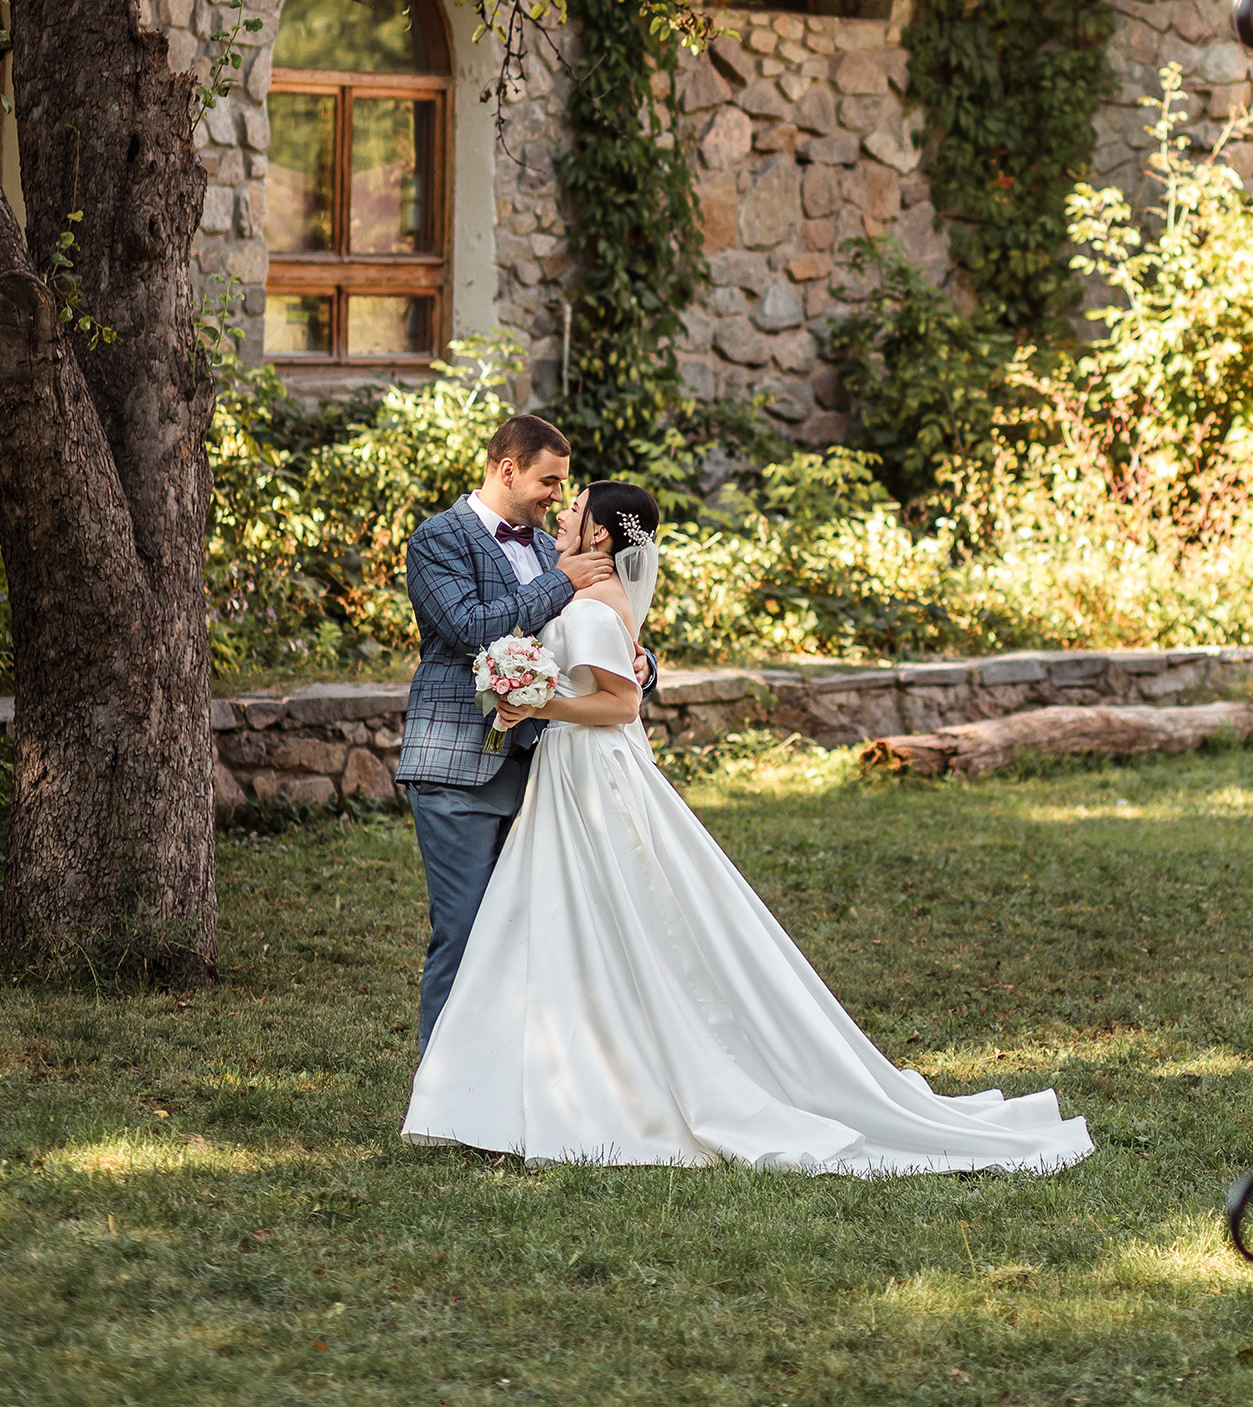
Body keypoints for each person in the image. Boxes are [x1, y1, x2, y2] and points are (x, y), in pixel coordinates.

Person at [403, 478, 1093, 1176]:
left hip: (592, 768)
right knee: (561, 918)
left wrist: (539, 701)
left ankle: (589, 1086)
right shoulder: (584, 593)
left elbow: (618, 705)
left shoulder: (591, 602)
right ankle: (528, 1084)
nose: (562, 512)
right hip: (569, 772)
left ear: (603, 537)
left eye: (575, 507)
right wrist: (542, 690)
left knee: (601, 915)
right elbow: (605, 662)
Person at [398, 412, 653, 1051]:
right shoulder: (437, 539)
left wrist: (641, 670)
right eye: (548, 481)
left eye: (564, 486)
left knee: (527, 934)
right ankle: (440, 1088)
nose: (557, 497)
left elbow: (593, 638)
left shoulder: (547, 547)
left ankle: (515, 1082)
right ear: (507, 469)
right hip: (457, 767)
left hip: (546, 775)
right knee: (463, 931)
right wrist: (560, 582)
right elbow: (469, 628)